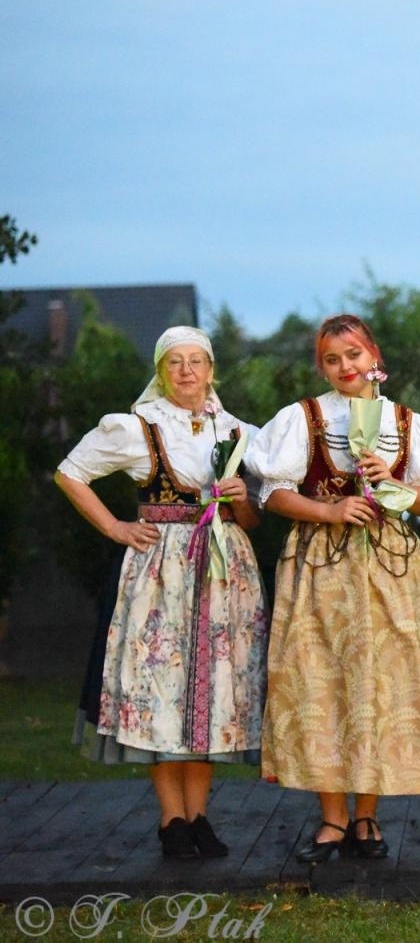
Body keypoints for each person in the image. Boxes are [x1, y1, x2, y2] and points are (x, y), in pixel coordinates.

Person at [247, 314, 420, 863]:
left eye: (353, 355)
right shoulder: (304, 418)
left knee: (381, 686)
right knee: (319, 681)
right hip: (320, 563)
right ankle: (332, 818)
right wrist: (330, 508)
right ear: (322, 366)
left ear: (375, 358)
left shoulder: (405, 422)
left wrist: (392, 483)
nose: (345, 367)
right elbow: (271, 494)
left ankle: (366, 815)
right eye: (332, 359)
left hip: (390, 565)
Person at [55, 325, 266, 859]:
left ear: (212, 369)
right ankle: (172, 819)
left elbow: (252, 518)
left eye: (197, 361)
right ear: (160, 370)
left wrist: (242, 498)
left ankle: (199, 817)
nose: (187, 371)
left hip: (223, 573)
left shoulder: (240, 431)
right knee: (162, 693)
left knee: (212, 695)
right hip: (160, 574)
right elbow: (71, 473)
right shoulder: (137, 427)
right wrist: (116, 528)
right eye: (175, 362)